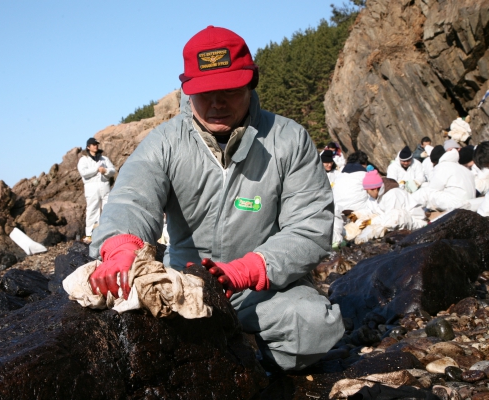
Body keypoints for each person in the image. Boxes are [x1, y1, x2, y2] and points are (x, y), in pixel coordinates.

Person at [88, 26, 343, 372]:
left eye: (230, 89)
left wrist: (245, 270)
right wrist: (120, 247)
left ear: (251, 82)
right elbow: (132, 198)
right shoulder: (164, 142)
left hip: (259, 289)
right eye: (205, 92)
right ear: (187, 91)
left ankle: (248, 354)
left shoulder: (289, 139)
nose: (217, 102)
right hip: (185, 286)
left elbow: (311, 228)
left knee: (314, 325)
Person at [412, 142, 475, 211]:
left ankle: (409, 205)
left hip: (459, 204)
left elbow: (433, 188)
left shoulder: (442, 166)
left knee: (425, 191)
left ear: (436, 162)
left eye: (433, 164)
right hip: (469, 200)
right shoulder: (457, 165)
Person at [77, 137, 116, 241]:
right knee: (92, 210)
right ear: (88, 147)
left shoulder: (104, 159)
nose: (96, 146)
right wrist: (96, 169)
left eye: (96, 144)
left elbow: (113, 170)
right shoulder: (84, 160)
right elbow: (83, 172)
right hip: (91, 187)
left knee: (107, 209)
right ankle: (89, 234)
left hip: (104, 185)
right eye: (93, 144)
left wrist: (105, 170)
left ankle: (107, 233)